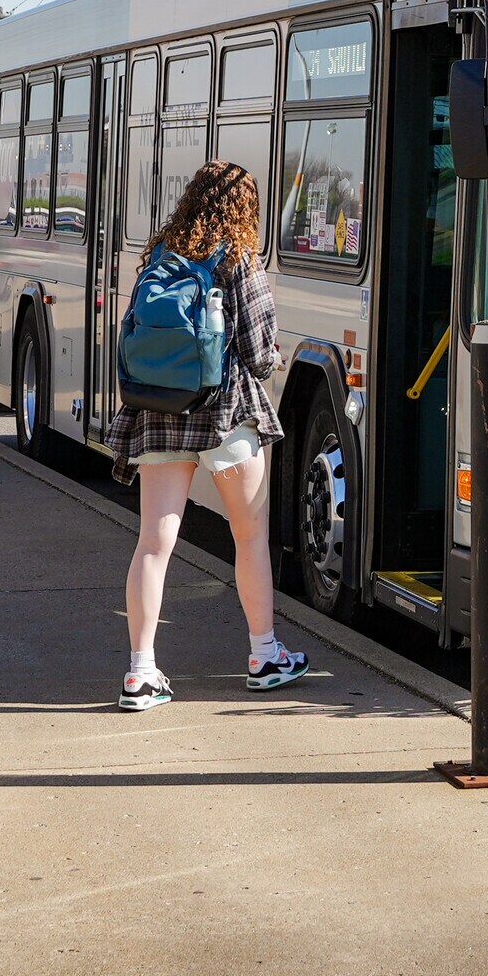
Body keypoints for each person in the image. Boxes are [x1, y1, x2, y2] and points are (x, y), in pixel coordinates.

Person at [106, 160, 304, 710]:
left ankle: (141, 672)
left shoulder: (163, 254)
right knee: (248, 537)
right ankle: (264, 655)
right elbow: (260, 353)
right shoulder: (239, 259)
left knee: (153, 544)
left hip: (163, 412)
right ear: (246, 208)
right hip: (226, 416)